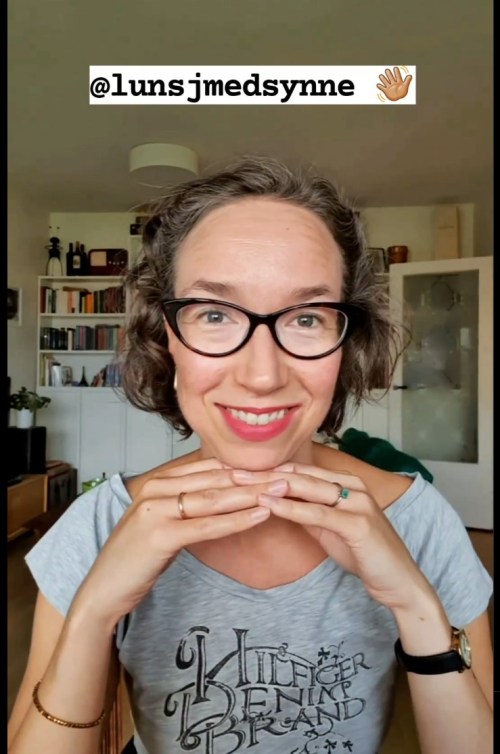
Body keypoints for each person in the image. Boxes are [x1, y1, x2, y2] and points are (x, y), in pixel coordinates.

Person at [8, 156, 493, 754]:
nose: (263, 375)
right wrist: (93, 615)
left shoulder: (418, 522)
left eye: (307, 318)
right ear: (167, 337)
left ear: (347, 343)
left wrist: (415, 606)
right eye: (214, 314)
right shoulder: (100, 525)